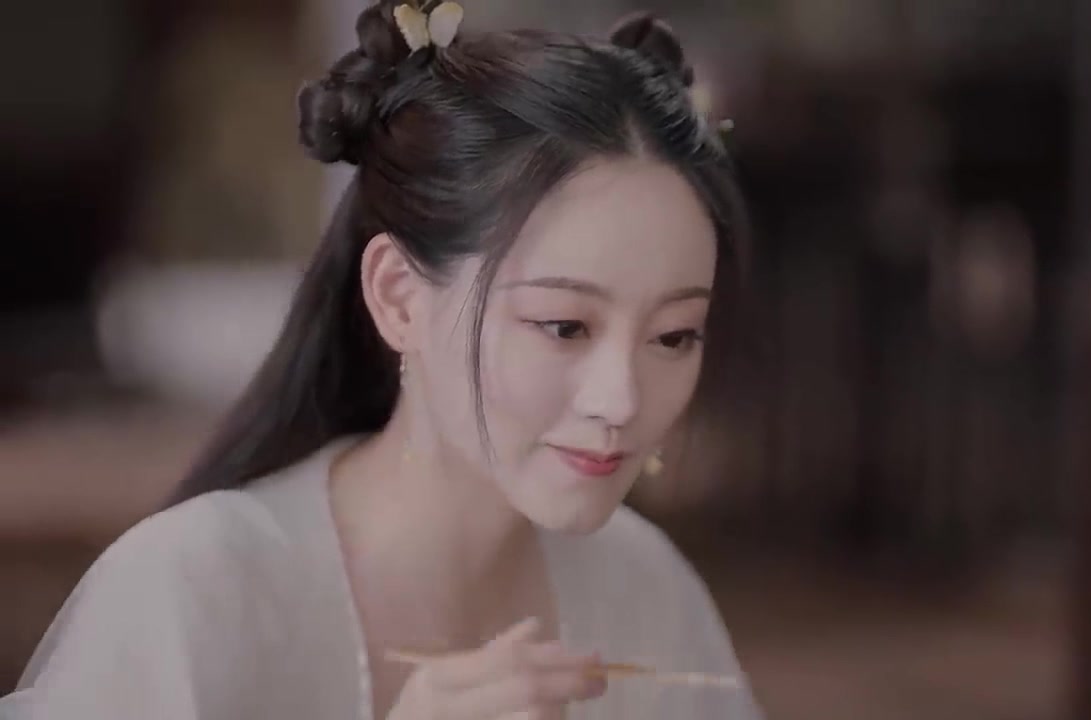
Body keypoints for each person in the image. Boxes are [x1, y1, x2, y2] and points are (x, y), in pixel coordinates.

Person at [2, 2, 763, 719]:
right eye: (564, 326)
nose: (622, 400)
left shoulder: (645, 588)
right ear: (399, 296)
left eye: (674, 336)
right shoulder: (194, 587)